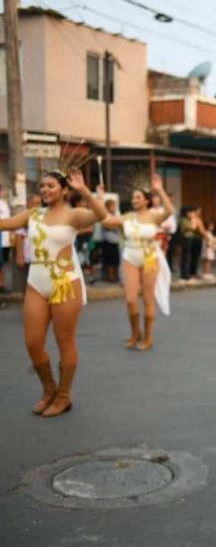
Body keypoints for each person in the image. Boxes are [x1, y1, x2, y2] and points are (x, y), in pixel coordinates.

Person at [0, 168, 107, 416]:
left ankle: (63, 396)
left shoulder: (74, 215)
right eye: (43, 186)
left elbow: (100, 215)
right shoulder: (34, 214)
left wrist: (85, 191)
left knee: (64, 341)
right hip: (36, 283)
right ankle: (49, 389)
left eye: (51, 186)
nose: (45, 190)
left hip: (65, 283)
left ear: (65, 190)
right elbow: (5, 224)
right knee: (33, 342)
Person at [98, 174, 173, 350]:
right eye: (133, 197)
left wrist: (160, 189)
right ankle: (135, 333)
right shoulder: (127, 217)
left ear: (146, 200)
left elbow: (169, 211)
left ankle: (148, 337)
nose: (134, 200)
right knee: (131, 299)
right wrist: (100, 200)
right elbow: (105, 220)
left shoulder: (154, 216)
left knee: (147, 299)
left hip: (149, 257)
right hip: (130, 256)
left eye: (138, 197)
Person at [100, 199, 121, 283]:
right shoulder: (105, 215)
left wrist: (115, 225)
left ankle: (116, 275)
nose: (114, 208)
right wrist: (115, 226)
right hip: (107, 242)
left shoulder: (116, 215)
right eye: (112, 206)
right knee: (109, 260)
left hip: (116, 242)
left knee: (116, 260)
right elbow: (106, 225)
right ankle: (110, 276)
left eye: (115, 206)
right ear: (108, 207)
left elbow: (119, 225)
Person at [0, 185, 10, 292]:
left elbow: (7, 222)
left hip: (3, 241)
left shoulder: (4, 204)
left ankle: (1, 286)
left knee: (1, 266)